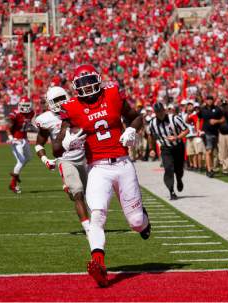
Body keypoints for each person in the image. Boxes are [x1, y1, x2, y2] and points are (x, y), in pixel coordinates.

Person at [53, 64, 151, 287]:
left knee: (136, 222)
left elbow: (137, 117)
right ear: (75, 87)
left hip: (123, 164)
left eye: (90, 82)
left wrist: (131, 129)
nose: (87, 88)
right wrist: (66, 142)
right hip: (98, 168)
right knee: (97, 215)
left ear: (98, 80)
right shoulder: (71, 108)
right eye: (82, 84)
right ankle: (99, 264)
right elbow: (57, 148)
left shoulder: (113, 94)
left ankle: (144, 222)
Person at [33, 86, 90, 236]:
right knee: (78, 193)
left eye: (61, 99)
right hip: (65, 159)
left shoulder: (78, 108)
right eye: (55, 101)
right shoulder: (46, 119)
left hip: (86, 157)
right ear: (50, 103)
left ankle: (69, 189)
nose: (59, 103)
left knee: (89, 195)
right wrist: (45, 159)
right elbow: (39, 143)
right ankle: (88, 229)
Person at [148, 102, 189, 200]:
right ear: (155, 113)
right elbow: (150, 135)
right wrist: (152, 149)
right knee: (168, 169)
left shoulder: (174, 118)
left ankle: (179, 179)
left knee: (179, 169)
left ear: (164, 110)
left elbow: (186, 130)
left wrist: (177, 137)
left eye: (161, 111)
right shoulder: (152, 123)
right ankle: (172, 191)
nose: (160, 114)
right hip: (165, 148)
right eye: (158, 112)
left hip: (178, 146)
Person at [6, 98, 35, 193]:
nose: (26, 107)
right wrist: (11, 138)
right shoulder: (15, 114)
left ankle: (15, 174)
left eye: (27, 105)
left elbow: (27, 125)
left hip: (24, 139)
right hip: (16, 140)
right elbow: (7, 127)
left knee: (29, 158)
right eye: (24, 105)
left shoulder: (31, 113)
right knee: (21, 161)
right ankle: (13, 184)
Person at [198, 95, 224, 177]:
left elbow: (223, 119)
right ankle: (209, 170)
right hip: (206, 133)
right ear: (205, 101)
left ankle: (210, 168)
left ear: (213, 100)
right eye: (208, 99)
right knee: (208, 151)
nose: (209, 101)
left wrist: (216, 121)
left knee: (212, 152)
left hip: (215, 133)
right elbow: (198, 119)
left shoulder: (217, 109)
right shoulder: (202, 109)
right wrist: (198, 130)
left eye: (211, 99)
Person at [182, 101, 204, 171]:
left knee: (198, 152)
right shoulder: (185, 115)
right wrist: (188, 114)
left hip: (195, 135)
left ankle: (199, 166)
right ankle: (194, 165)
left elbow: (197, 121)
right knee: (191, 153)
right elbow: (185, 121)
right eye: (188, 106)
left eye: (191, 105)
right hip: (189, 135)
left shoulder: (196, 113)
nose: (189, 107)